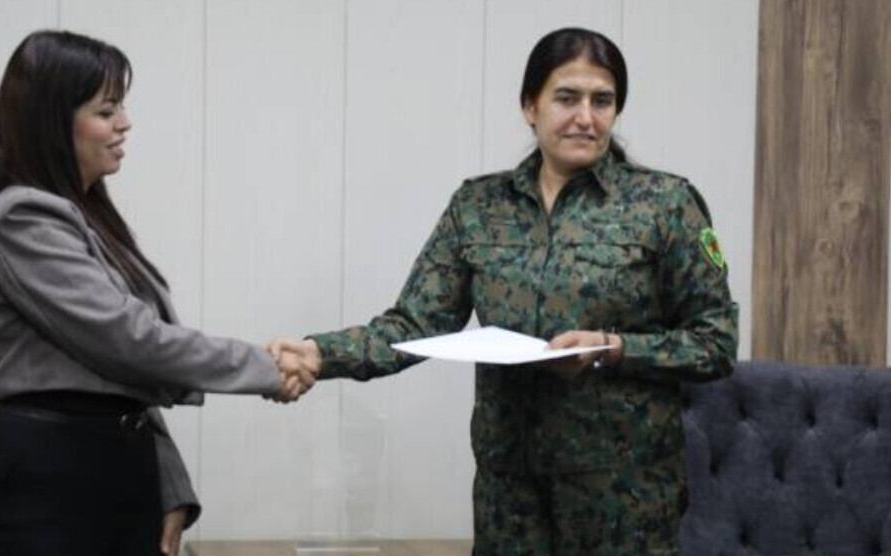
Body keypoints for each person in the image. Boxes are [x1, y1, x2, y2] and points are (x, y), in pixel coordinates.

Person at [271, 27, 738, 556]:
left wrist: (611, 348)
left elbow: (715, 343)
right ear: (529, 106)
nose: (585, 117)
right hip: (510, 498)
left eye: (602, 101)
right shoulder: (478, 206)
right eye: (567, 98)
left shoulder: (665, 205)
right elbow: (416, 324)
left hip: (623, 500)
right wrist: (319, 354)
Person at [0, 30, 305, 556]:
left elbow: (116, 371)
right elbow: (129, 340)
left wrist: (170, 482)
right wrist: (267, 366)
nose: (125, 122)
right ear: (53, 120)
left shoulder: (85, 217)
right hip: (43, 485)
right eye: (106, 110)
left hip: (103, 474)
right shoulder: (23, 218)